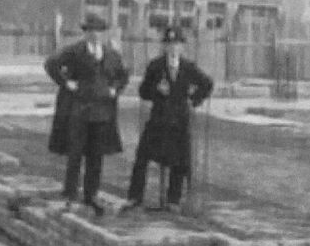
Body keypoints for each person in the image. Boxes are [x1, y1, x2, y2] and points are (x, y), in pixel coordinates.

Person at [121, 25, 213, 214]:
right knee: (142, 157)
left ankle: (173, 200)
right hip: (158, 121)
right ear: (164, 46)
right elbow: (143, 92)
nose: (173, 48)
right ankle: (135, 197)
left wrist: (194, 99)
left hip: (179, 122)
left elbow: (207, 84)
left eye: (177, 44)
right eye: (169, 44)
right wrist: (156, 90)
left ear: (182, 47)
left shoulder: (188, 67)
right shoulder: (155, 66)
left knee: (179, 162)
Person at [45, 13, 129, 217]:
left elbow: (123, 75)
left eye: (98, 31)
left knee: (96, 156)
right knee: (75, 153)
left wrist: (115, 89)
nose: (95, 35)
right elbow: (51, 64)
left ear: (103, 33)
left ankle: (91, 195)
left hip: (102, 113)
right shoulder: (75, 51)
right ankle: (70, 193)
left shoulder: (111, 54)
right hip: (79, 111)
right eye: (91, 31)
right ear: (86, 33)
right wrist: (67, 83)